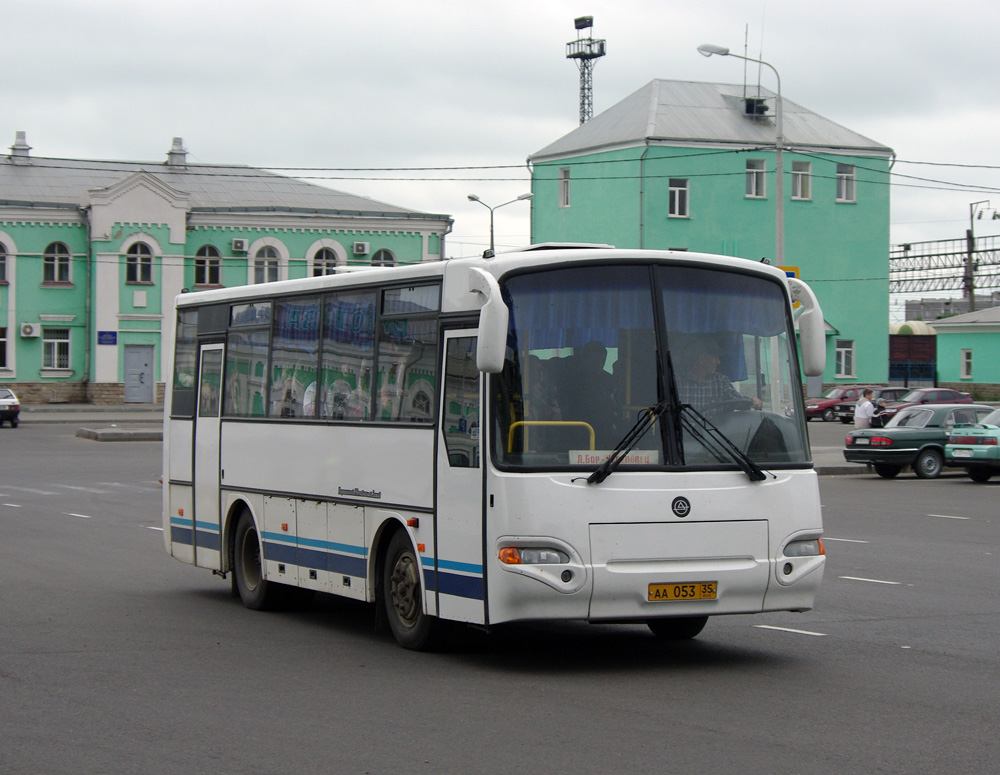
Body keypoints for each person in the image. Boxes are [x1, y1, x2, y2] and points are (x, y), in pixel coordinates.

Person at [673, 334, 762, 414]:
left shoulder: (720, 382)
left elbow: (737, 401)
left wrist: (752, 401)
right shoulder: (677, 382)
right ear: (701, 359)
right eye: (715, 357)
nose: (718, 362)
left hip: (712, 431)